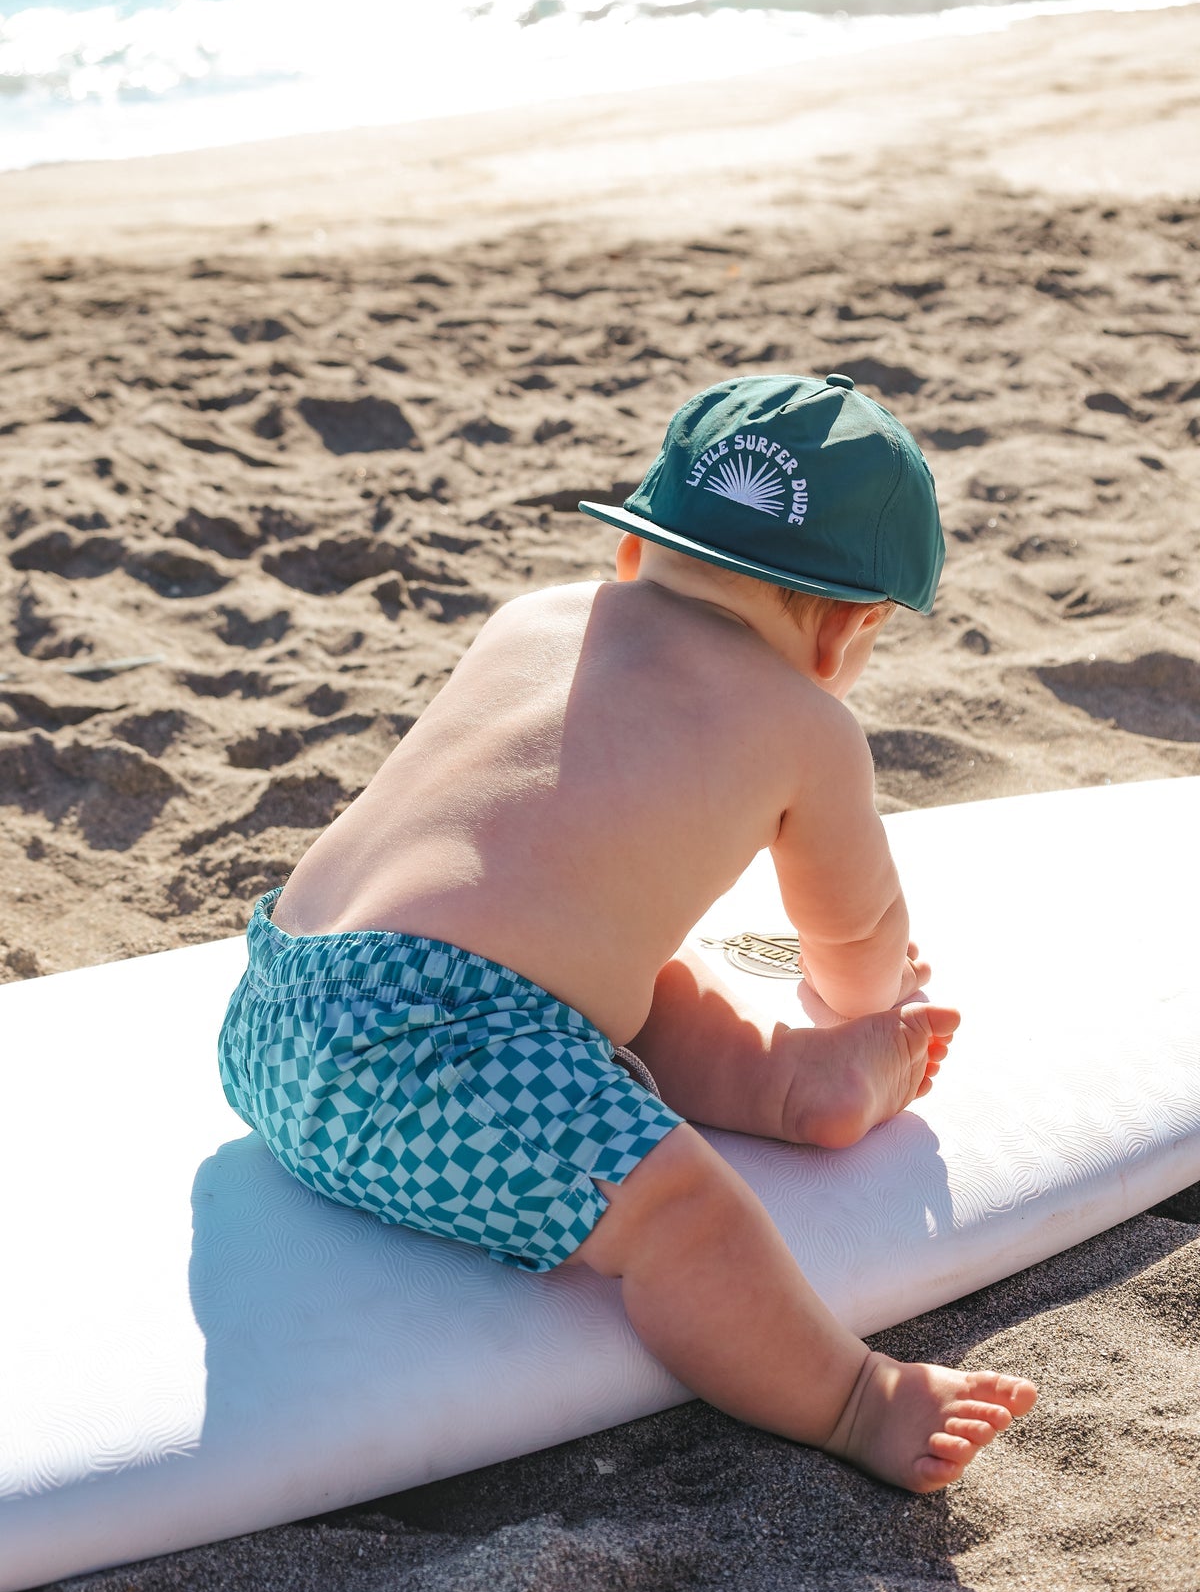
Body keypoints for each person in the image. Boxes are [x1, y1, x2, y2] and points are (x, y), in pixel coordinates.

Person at [219, 373, 1037, 1492]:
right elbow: (857, 943)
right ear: (850, 630)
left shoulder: (532, 620)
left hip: (273, 1004)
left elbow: (523, 876)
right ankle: (853, 1399)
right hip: (421, 1074)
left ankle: (780, 1083)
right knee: (680, 1217)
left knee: (623, 972)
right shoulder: (810, 725)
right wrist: (872, 1006)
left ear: (632, 552)